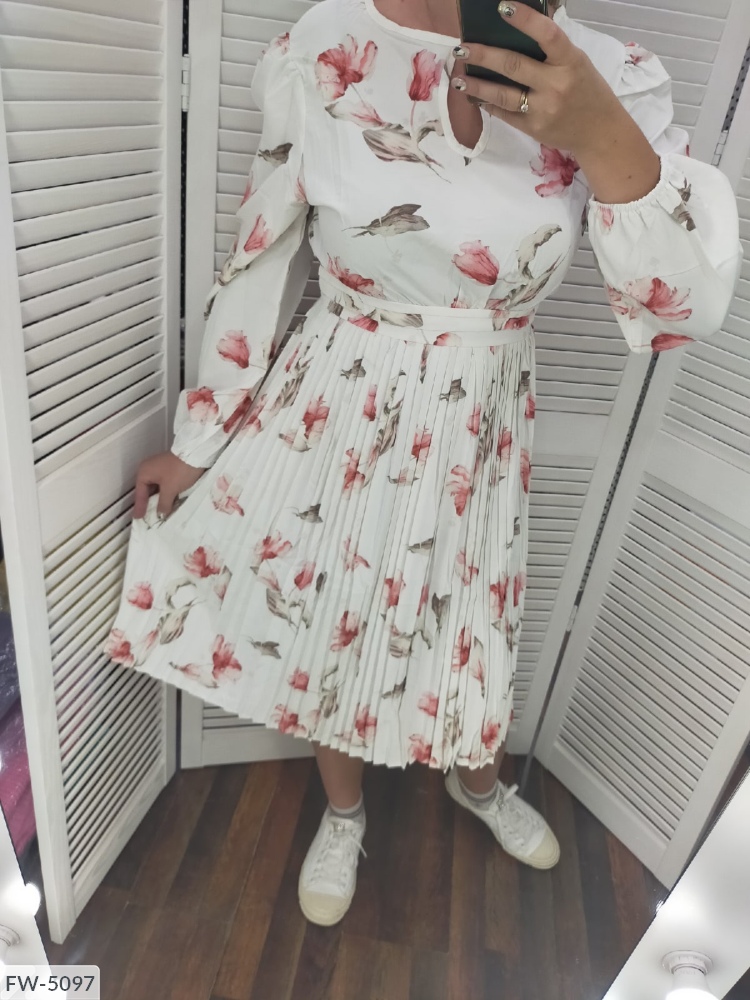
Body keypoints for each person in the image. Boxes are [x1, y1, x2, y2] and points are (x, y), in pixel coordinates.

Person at [103, 0, 741, 927]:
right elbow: (262, 258)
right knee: (332, 614)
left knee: (474, 619)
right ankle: (344, 814)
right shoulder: (323, 49)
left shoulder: (611, 77)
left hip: (482, 418)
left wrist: (599, 131)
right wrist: (199, 437)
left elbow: (683, 310)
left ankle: (478, 785)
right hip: (337, 397)